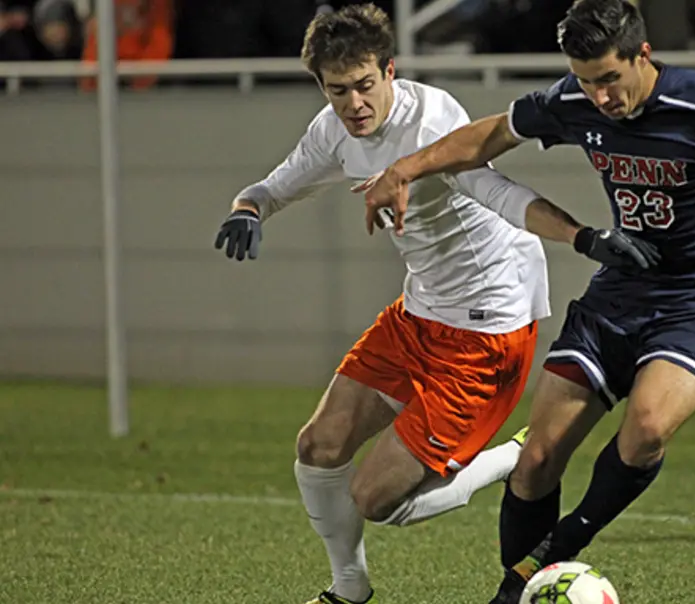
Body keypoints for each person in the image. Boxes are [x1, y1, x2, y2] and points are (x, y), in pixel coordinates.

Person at [360, 1, 695, 602]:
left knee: (646, 427)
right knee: (537, 458)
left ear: (642, 55)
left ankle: (553, 554)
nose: (599, 97)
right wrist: (405, 169)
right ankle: (515, 591)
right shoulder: (574, 101)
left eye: (609, 79)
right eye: (585, 81)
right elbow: (491, 134)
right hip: (620, 293)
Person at [212, 5, 660, 604]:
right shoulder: (332, 129)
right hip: (419, 313)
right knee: (316, 448)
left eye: (366, 85)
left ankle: (514, 454)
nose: (355, 104)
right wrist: (247, 210)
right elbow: (271, 187)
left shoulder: (431, 122)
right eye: (338, 90)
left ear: (390, 70)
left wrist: (584, 238)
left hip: (486, 327)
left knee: (378, 501)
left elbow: (498, 192)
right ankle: (349, 589)